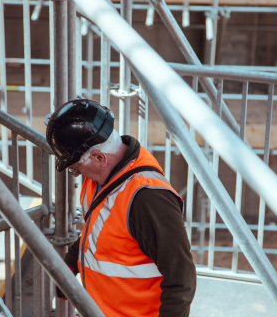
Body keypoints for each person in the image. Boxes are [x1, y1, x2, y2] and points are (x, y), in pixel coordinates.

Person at [46, 99, 196, 317]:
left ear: (98, 157)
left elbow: (181, 278)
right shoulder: (102, 178)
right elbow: (100, 228)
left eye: (76, 168)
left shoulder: (148, 198)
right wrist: (72, 261)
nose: (77, 174)